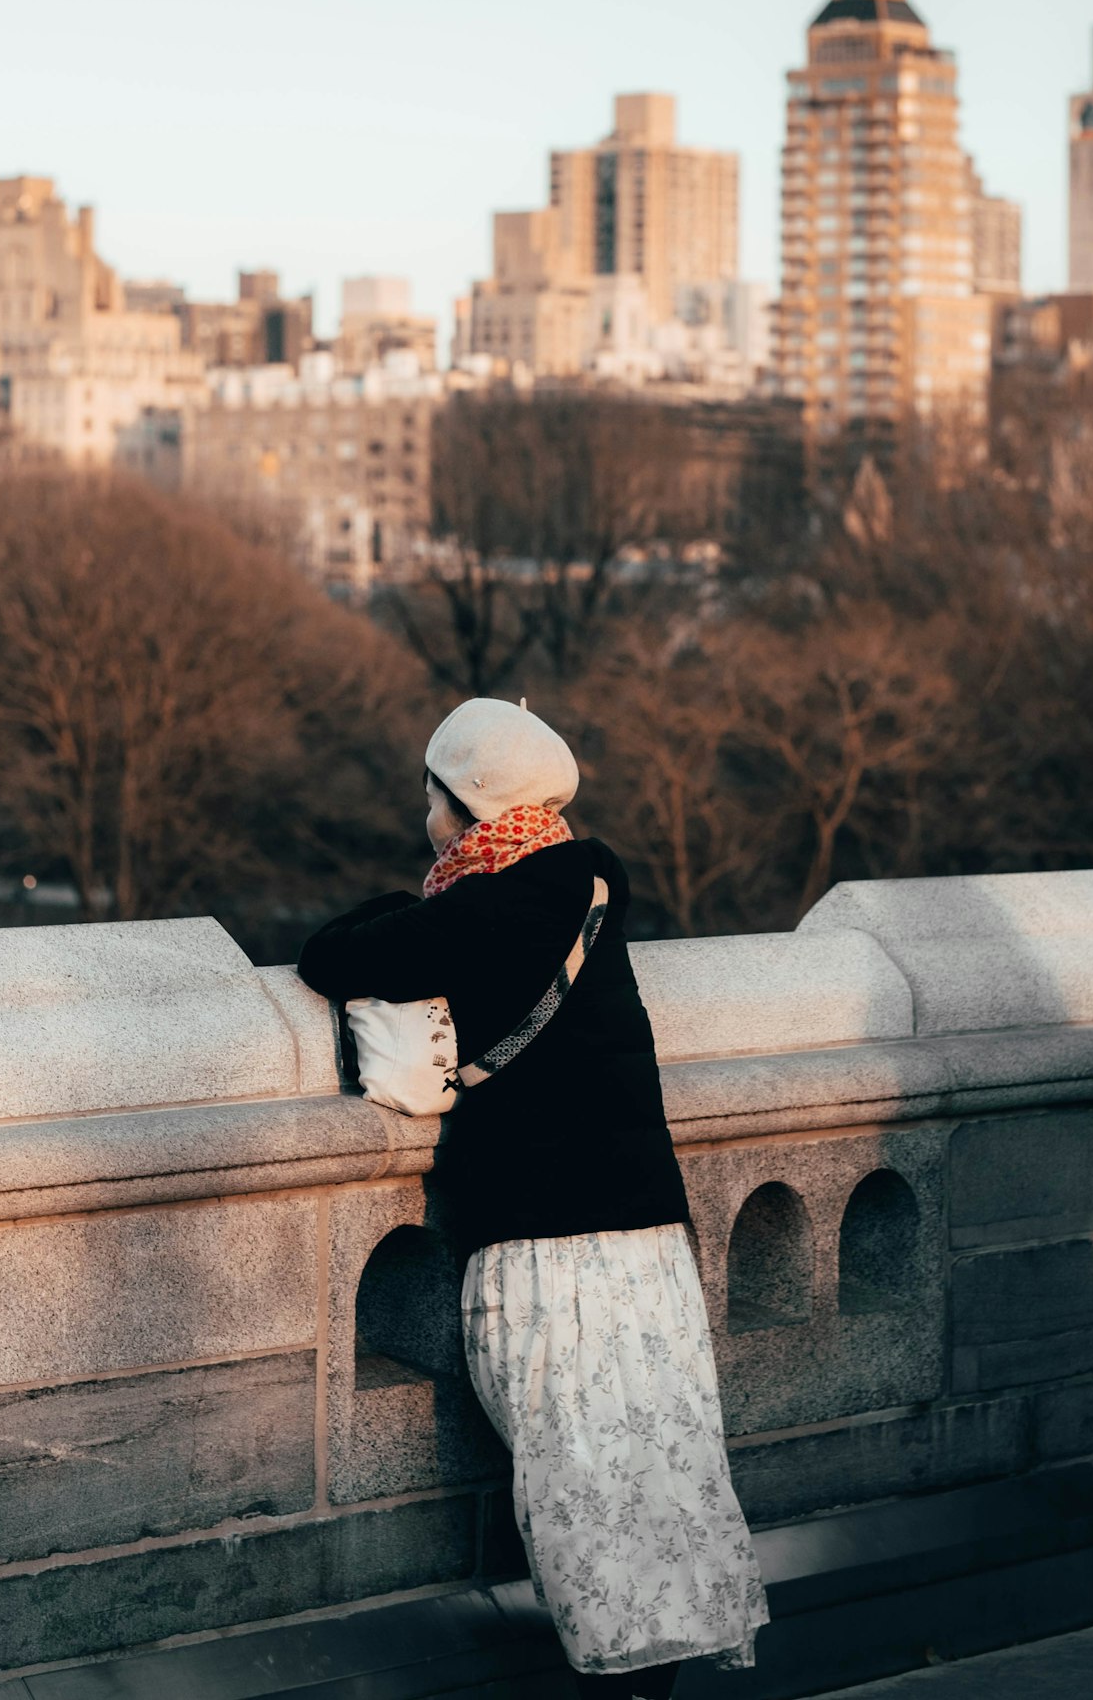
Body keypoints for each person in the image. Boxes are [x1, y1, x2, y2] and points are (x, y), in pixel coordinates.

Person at [299, 697, 768, 1698]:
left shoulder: (487, 907)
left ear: (464, 801)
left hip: (549, 1241)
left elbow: (332, 958)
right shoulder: (582, 884)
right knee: (658, 1467)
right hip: (645, 1233)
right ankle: (657, 1679)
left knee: (581, 1482)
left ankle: (624, 1682)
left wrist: (393, 903)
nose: (422, 806)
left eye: (432, 790)